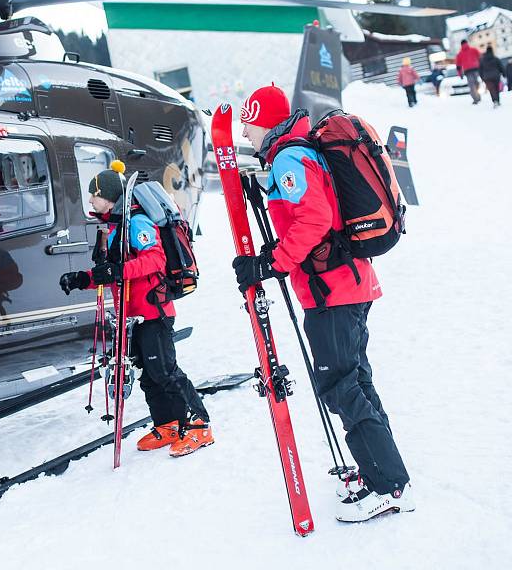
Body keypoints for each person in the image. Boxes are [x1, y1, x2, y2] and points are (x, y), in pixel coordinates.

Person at [233, 84, 414, 522]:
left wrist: (271, 263)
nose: (246, 135)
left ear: (259, 120)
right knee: (356, 382)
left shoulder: (290, 157)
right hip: (347, 286)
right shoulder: (296, 153)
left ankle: (388, 485)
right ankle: (386, 474)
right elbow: (311, 211)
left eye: (248, 125)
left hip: (332, 291)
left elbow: (313, 218)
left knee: (341, 385)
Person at [59, 163, 213, 457]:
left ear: (108, 195)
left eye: (94, 195)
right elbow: (112, 272)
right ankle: (168, 424)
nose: (90, 201)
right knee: (149, 374)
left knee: (165, 371)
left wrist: (118, 271)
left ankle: (199, 426)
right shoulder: (116, 225)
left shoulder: (137, 222)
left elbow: (153, 260)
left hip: (154, 311)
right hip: (133, 316)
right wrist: (82, 279)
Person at [455, 39, 483, 104]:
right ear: (467, 43)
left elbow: (458, 66)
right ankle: (477, 96)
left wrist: (460, 74)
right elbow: (480, 58)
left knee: (472, 85)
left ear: (461, 45)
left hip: (467, 71)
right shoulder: (474, 50)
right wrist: (481, 67)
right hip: (476, 69)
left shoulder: (460, 54)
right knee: (476, 84)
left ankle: (476, 98)